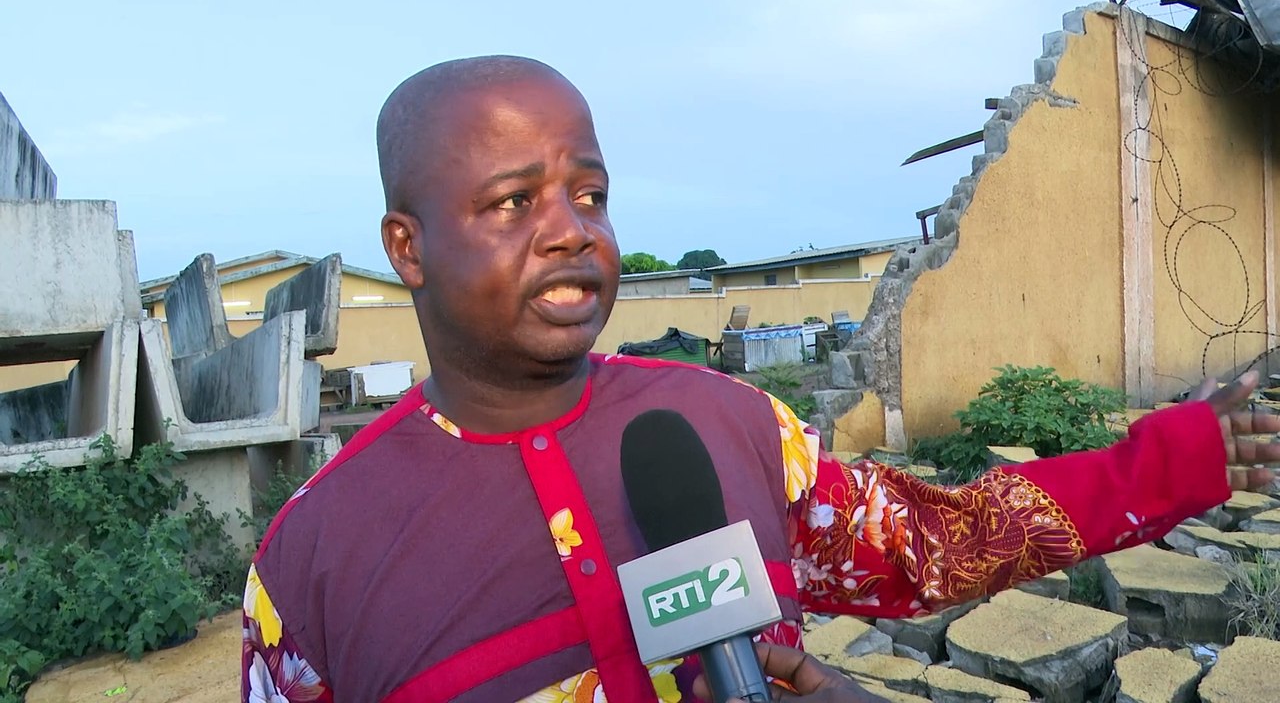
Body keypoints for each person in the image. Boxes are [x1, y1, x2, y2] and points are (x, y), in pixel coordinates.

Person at [240, 55, 1280, 703]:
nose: (571, 230)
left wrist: (1170, 460)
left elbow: (933, 540)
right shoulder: (312, 563)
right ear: (405, 246)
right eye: (513, 203)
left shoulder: (722, 421)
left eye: (589, 191)